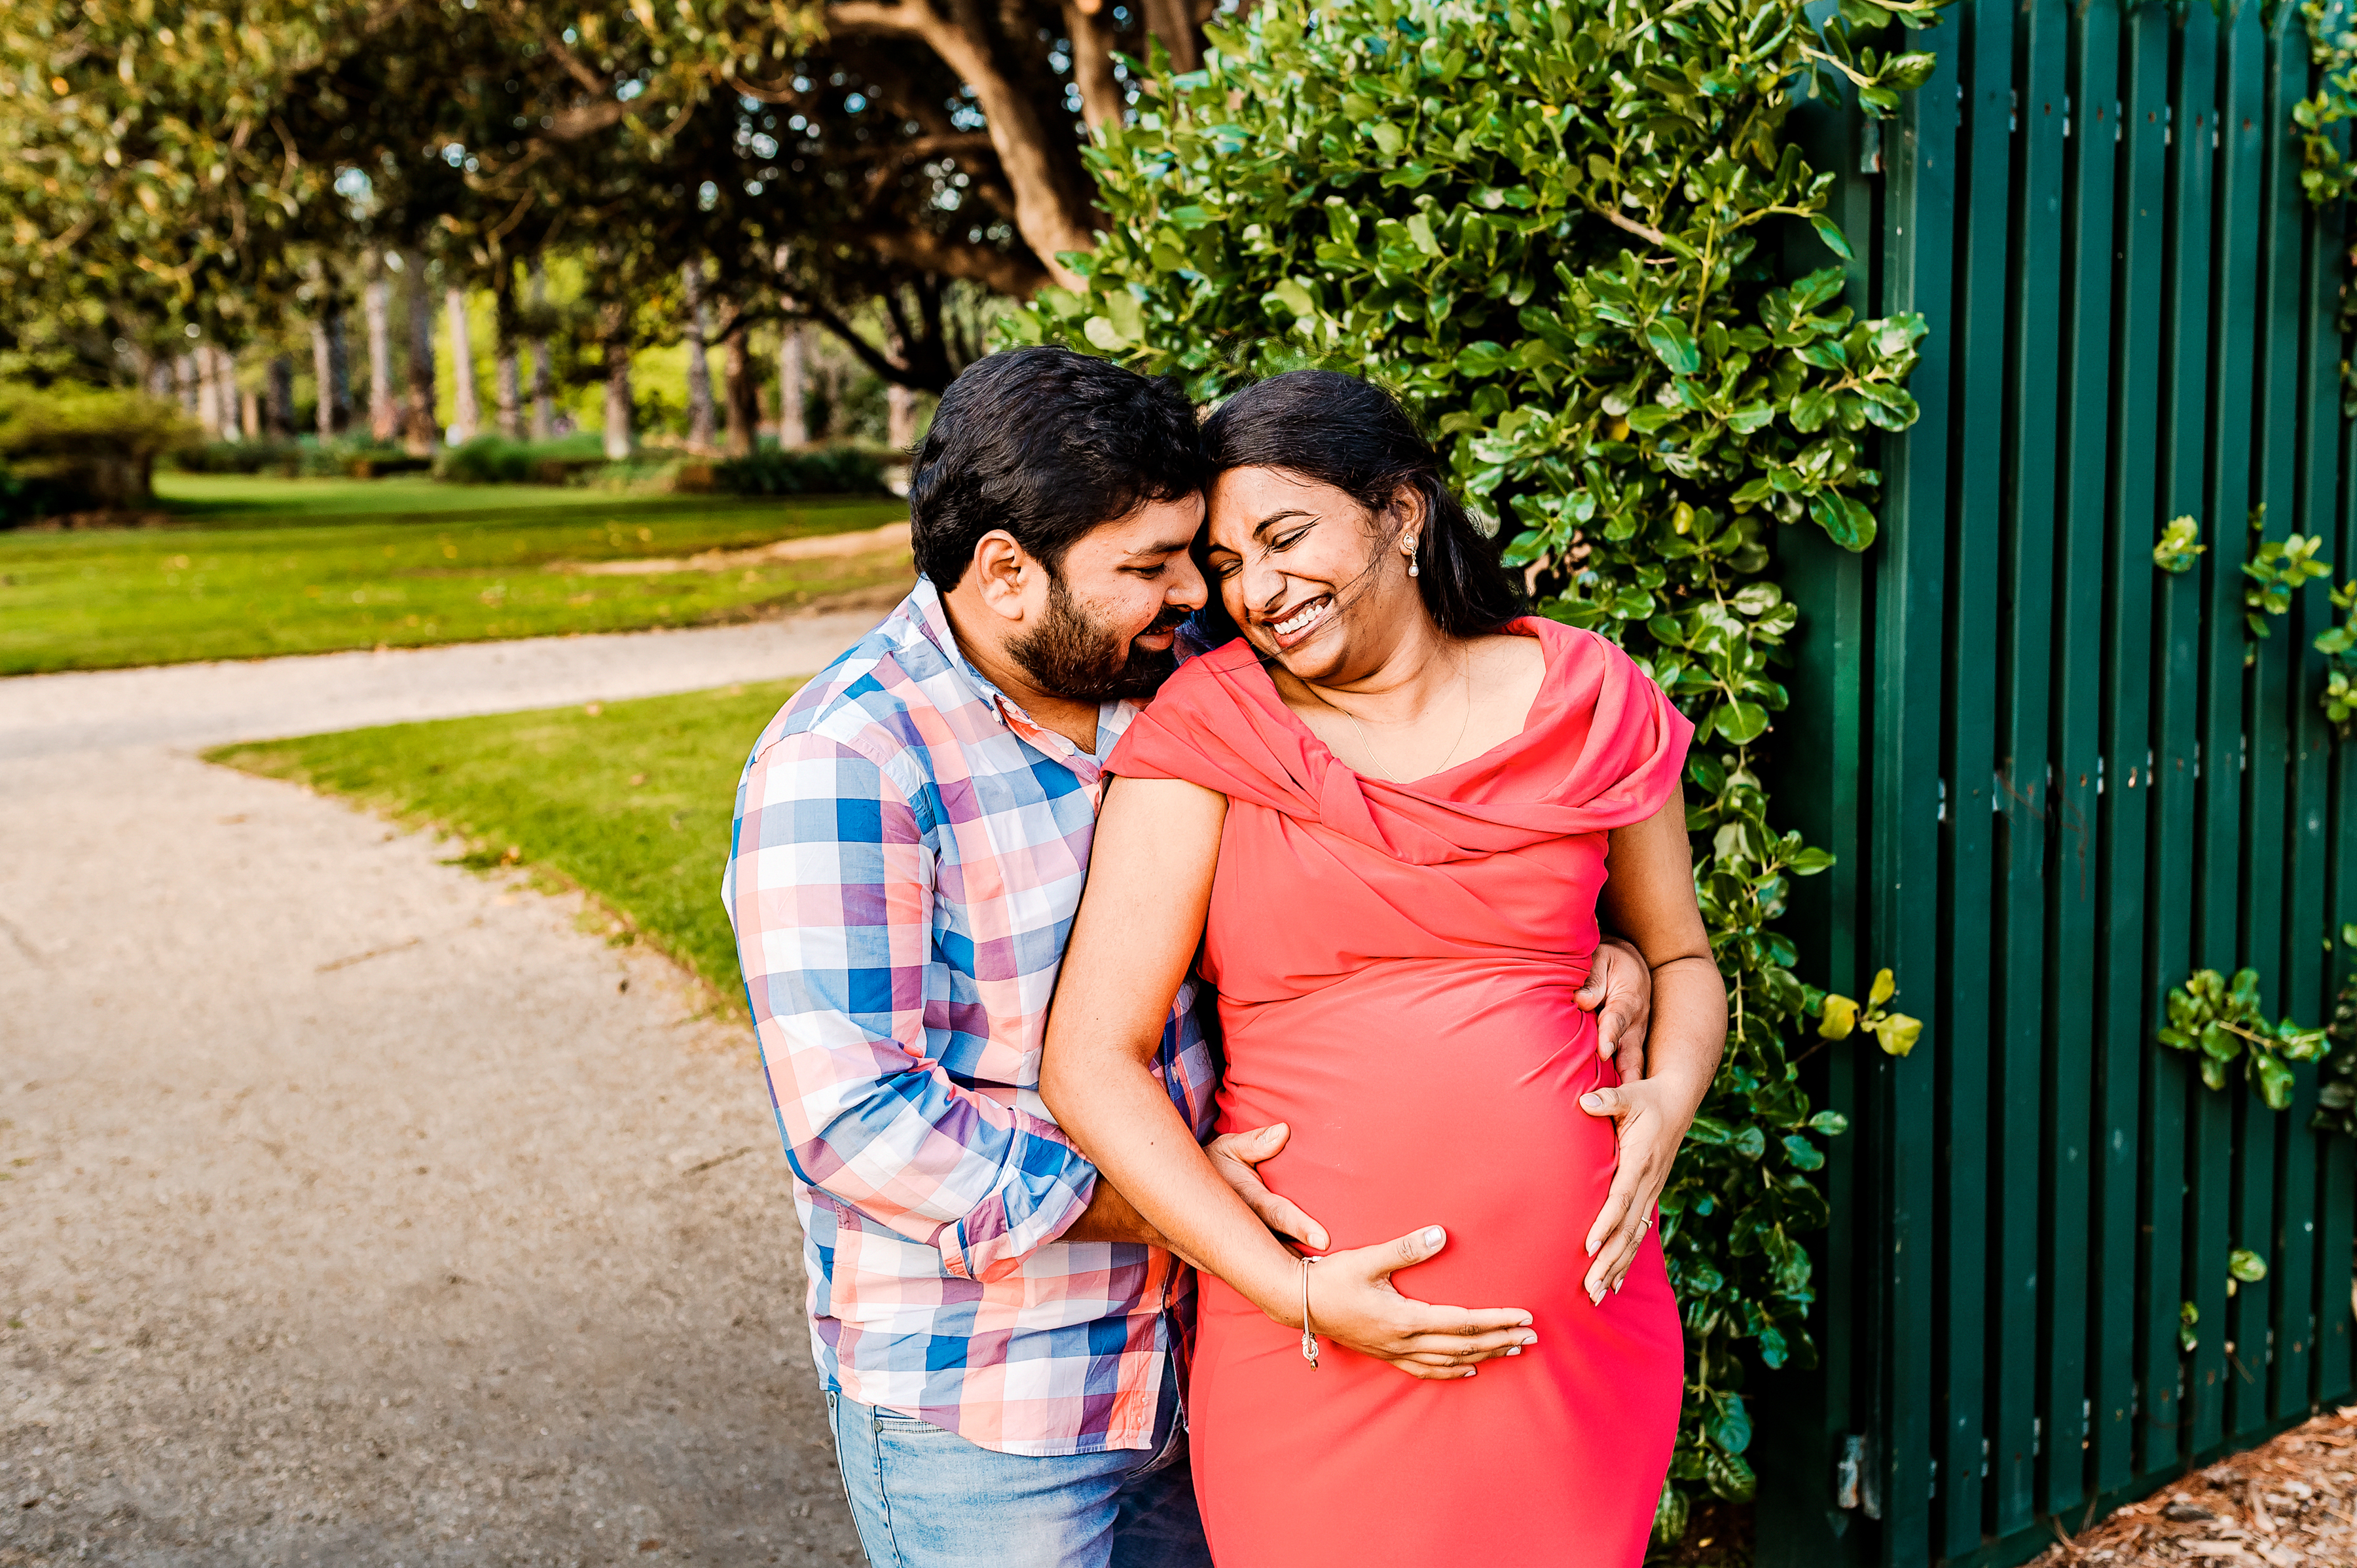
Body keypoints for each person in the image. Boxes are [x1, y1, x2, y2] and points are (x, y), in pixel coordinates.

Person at [723, 348, 1658, 1568]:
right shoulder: (846, 765)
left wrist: (1616, 953)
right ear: (1008, 573)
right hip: (1001, 1397)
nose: (1200, 597)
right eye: (1156, 569)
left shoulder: (1158, 680)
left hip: (1199, 1346)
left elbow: (1404, 859)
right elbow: (858, 1125)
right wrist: (1209, 1220)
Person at [1038, 369, 1728, 1568]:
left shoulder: (1591, 697)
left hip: (1572, 1342)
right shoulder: (1214, 727)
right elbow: (1092, 1059)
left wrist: (1668, 1098)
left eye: (1286, 537)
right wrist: (1293, 1292)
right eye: (1230, 561)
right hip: (1312, 1339)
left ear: (1402, 513)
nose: (1255, 590)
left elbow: (1680, 956)